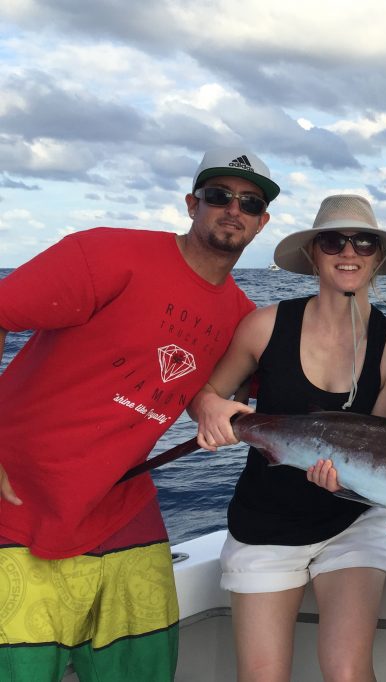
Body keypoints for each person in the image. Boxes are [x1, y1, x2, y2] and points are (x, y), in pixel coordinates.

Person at [0, 147, 278, 681]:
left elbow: (289, 391)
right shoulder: (104, 254)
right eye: (219, 195)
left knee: (145, 669)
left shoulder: (243, 317)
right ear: (192, 203)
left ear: (262, 222)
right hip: (19, 497)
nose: (233, 209)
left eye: (249, 202)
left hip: (120, 504)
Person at [189, 194, 386, 682]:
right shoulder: (265, 325)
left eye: (364, 242)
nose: (348, 251)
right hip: (265, 521)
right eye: (333, 241)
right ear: (314, 253)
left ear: (378, 256)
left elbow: (382, 453)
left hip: (351, 519)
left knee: (348, 673)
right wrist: (209, 409)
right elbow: (208, 393)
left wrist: (349, 485)